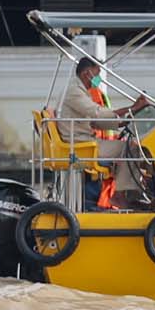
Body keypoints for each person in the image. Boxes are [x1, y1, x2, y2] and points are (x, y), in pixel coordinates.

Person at [58, 55, 144, 209]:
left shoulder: (81, 91)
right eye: (96, 75)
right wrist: (134, 108)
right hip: (80, 145)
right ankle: (120, 196)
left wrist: (122, 121)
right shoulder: (74, 91)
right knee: (131, 148)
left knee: (129, 147)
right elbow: (97, 113)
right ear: (86, 73)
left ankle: (127, 194)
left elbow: (95, 121)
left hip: (84, 141)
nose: (98, 80)